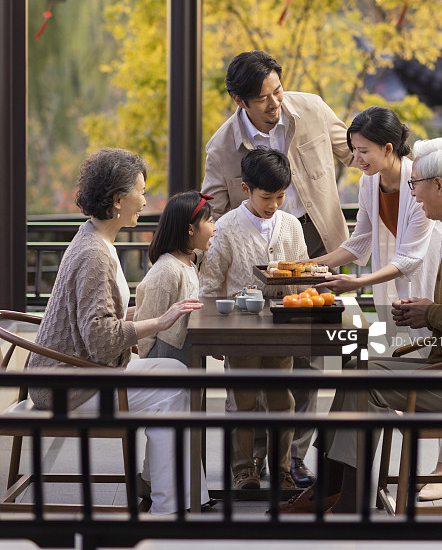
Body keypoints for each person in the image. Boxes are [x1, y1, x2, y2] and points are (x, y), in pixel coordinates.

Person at [281, 136, 442, 514]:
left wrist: (430, 314)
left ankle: (347, 499)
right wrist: (427, 312)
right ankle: (333, 489)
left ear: (439, 186)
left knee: (366, 381)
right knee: (356, 366)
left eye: (418, 186)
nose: (414, 195)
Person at [201, 49, 356, 486]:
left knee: (305, 361)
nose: (275, 104)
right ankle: (249, 464)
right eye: (264, 98)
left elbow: (357, 154)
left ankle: (291, 459)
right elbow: (211, 214)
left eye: (278, 91)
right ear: (239, 101)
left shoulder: (310, 108)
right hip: (253, 253)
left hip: (315, 241)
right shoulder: (222, 147)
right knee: (251, 373)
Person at [27, 148, 210, 515]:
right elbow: (100, 339)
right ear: (118, 199)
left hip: (75, 371)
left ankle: (182, 498)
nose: (145, 200)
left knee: (178, 376)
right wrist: (158, 321)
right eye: (141, 191)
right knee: (173, 386)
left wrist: (143, 315)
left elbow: (96, 318)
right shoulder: (95, 253)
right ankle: (169, 507)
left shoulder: (94, 238)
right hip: (69, 384)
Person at [199, 147, 308, 491]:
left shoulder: (290, 225)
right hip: (238, 331)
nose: (274, 204)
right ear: (245, 189)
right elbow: (209, 286)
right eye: (266, 197)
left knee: (282, 400)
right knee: (241, 399)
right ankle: (243, 470)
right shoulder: (227, 227)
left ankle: (281, 469)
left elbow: (303, 273)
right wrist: (213, 335)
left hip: (282, 328)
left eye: (280, 196)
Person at [315, 105, 442, 347]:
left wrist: (357, 283)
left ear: (387, 149)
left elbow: (410, 258)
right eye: (353, 149)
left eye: (363, 150)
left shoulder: (420, 182)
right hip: (410, 268)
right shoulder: (369, 181)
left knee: (432, 347)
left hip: (439, 273)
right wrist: (308, 265)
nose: (356, 158)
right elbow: (360, 241)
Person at [134, 191, 216, 367]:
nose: (214, 228)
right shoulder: (167, 270)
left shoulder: (188, 263)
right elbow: (146, 325)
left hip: (186, 354)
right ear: (190, 229)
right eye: (210, 221)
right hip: (166, 361)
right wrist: (153, 366)